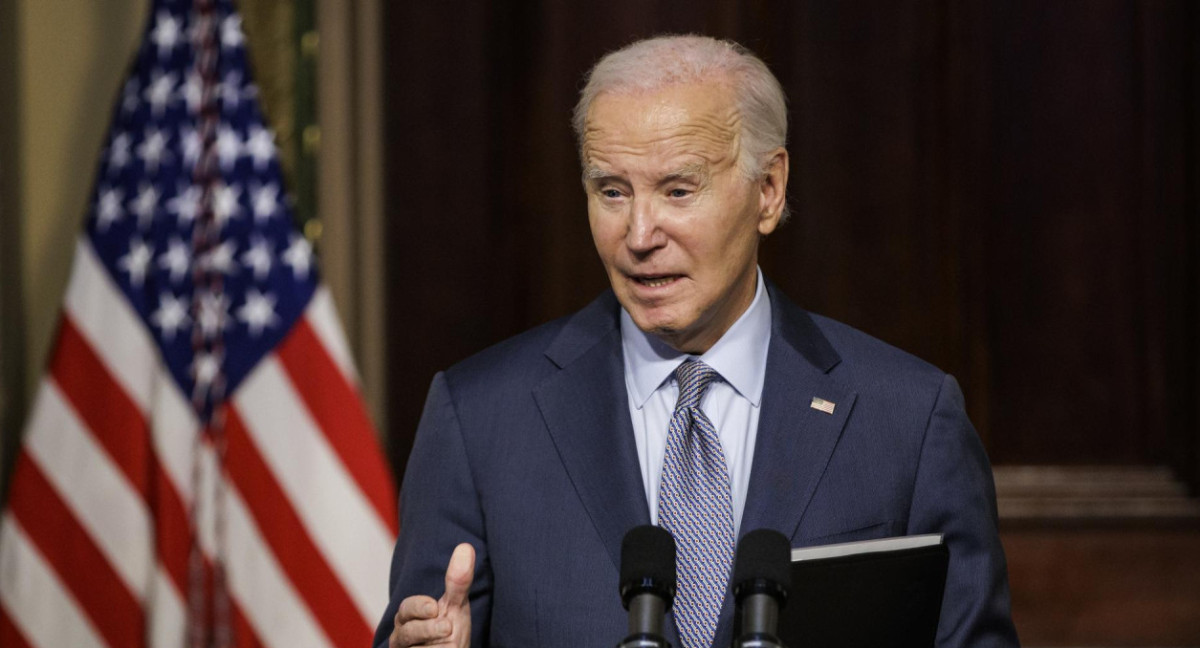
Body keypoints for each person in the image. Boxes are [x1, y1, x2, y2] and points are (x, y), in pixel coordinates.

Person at [373, 34, 1019, 648]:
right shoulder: (480, 421)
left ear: (769, 190)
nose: (640, 233)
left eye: (677, 190)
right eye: (611, 191)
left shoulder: (907, 419)